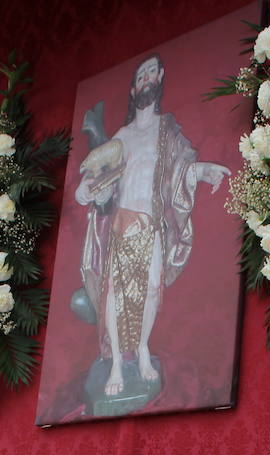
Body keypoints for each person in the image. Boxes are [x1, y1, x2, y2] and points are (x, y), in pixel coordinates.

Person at [75, 54, 230, 398]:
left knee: (150, 291)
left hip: (153, 225)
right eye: (140, 75)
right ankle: (116, 362)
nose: (146, 79)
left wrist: (202, 171)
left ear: (160, 77)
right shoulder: (121, 136)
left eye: (150, 73)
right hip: (121, 222)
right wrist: (88, 189)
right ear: (133, 89)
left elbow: (180, 169)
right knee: (115, 294)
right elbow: (101, 178)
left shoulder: (168, 130)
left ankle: (142, 348)